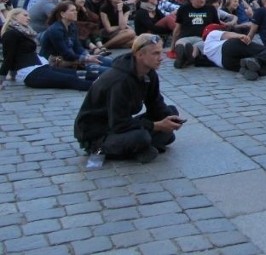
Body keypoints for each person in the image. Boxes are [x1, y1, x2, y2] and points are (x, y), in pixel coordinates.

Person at [74, 34, 184, 163]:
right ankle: (136, 148)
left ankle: (140, 148)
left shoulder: (149, 72)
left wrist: (169, 120)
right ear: (139, 55)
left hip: (119, 124)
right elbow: (119, 123)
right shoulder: (120, 81)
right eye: (155, 53)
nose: (161, 58)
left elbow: (155, 103)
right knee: (142, 137)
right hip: (98, 133)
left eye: (161, 52)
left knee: (171, 113)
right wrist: (157, 126)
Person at [0, 8, 94, 91]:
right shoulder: (10, 34)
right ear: (14, 17)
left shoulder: (23, 33)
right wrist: (2, 79)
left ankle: (105, 83)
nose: (28, 18)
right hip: (30, 73)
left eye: (28, 16)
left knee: (78, 74)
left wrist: (13, 75)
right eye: (25, 15)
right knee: (70, 79)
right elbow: (8, 57)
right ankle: (103, 90)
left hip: (40, 66)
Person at [200, 25, 266, 81]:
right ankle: (257, 61)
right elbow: (227, 34)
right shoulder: (212, 33)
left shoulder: (206, 50)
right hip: (228, 47)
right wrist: (240, 36)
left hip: (225, 63)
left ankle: (254, 70)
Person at [172, 0, 220, 68]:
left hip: (202, 38)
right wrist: (172, 47)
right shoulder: (183, 9)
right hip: (185, 37)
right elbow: (177, 28)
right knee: (180, 44)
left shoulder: (211, 9)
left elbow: (216, 26)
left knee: (197, 47)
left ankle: (186, 59)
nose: (202, 0)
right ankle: (185, 57)